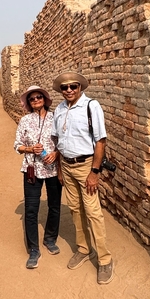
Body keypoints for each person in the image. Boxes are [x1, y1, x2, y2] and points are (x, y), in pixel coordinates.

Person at [51, 71, 113, 285]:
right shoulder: (59, 109)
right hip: (67, 166)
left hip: (86, 165)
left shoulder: (91, 106)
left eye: (73, 86)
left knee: (93, 212)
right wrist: (59, 169)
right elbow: (57, 139)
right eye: (64, 87)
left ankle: (105, 258)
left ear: (80, 87)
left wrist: (94, 172)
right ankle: (84, 249)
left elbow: (100, 141)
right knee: (76, 209)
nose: (69, 90)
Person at [14, 85, 62, 269]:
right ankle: (34, 249)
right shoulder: (24, 121)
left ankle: (50, 239)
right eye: (32, 98)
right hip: (32, 169)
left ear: (44, 99)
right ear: (28, 102)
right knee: (31, 209)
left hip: (52, 169)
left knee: (54, 206)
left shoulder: (55, 118)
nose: (35, 100)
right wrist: (29, 149)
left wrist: (56, 154)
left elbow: (62, 141)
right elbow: (17, 145)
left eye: (38, 97)